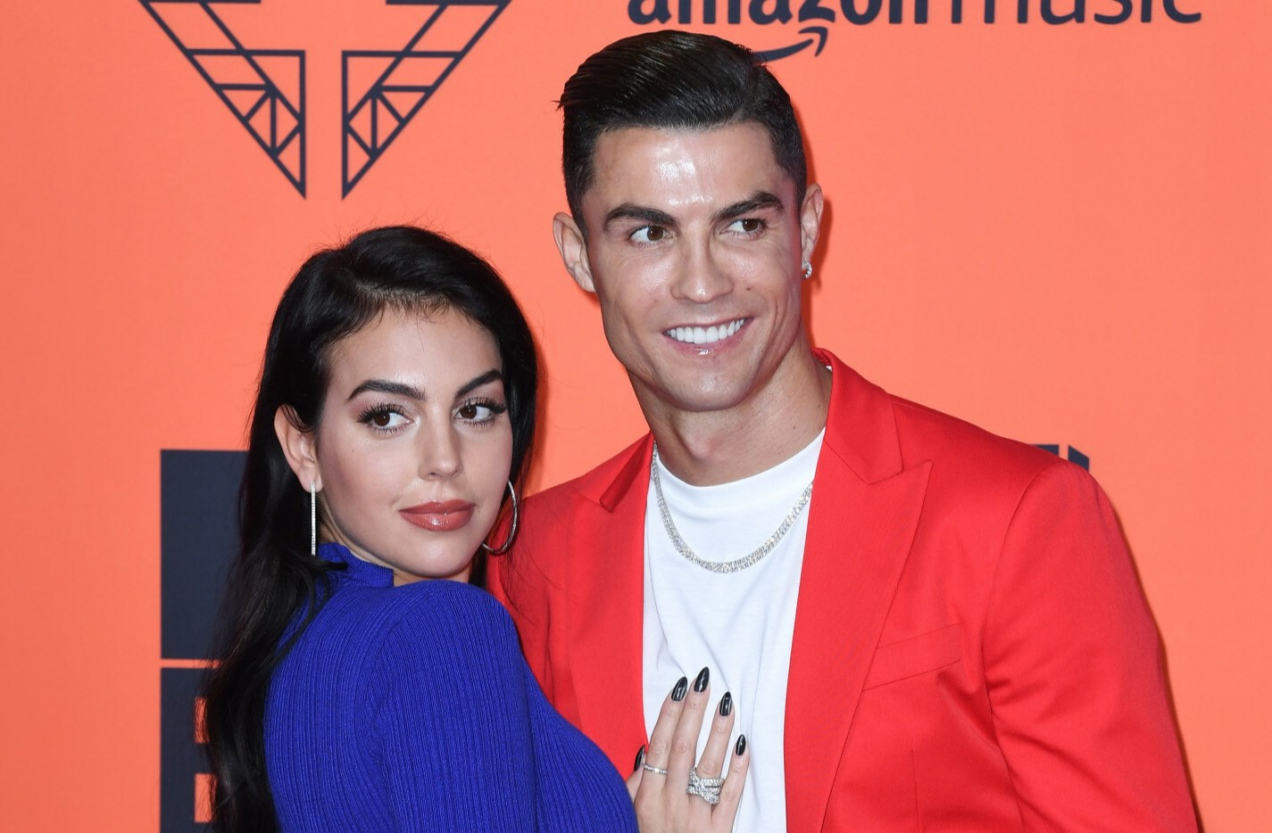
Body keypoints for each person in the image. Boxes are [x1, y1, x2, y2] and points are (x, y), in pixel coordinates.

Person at [488, 31, 1198, 831]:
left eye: (742, 225)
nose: (702, 282)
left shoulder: (1012, 522)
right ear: (580, 255)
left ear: (806, 230)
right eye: (650, 233)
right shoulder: (532, 562)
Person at [200, 226, 652, 832]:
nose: (444, 459)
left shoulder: (296, 647)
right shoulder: (443, 630)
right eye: (388, 417)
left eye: (475, 410)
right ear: (303, 447)